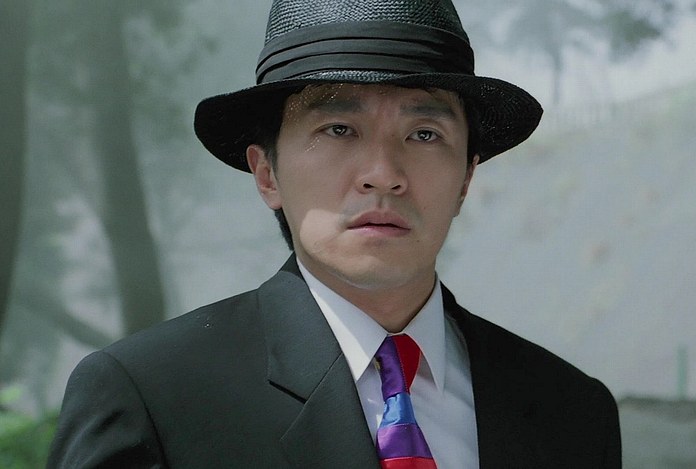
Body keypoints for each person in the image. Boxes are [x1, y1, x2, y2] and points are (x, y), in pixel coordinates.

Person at [48, 0, 621, 467]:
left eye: (424, 134)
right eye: (339, 128)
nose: (384, 174)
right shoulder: (152, 398)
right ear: (267, 173)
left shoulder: (572, 410)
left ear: (467, 177)